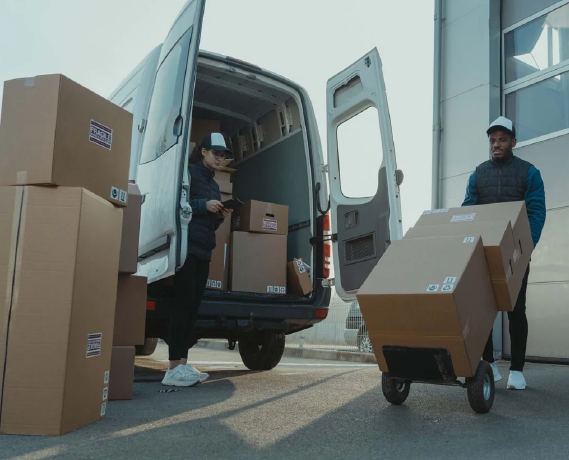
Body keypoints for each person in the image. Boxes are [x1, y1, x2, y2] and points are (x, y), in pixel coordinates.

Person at [462, 116, 546, 390]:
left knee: (515, 310)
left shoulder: (529, 173)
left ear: (513, 142)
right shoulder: (478, 174)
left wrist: (527, 247)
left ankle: (517, 371)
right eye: (492, 140)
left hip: (516, 255)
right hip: (483, 253)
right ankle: (489, 364)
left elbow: (536, 212)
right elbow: (468, 210)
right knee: (483, 310)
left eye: (502, 140)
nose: (496, 145)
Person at [162, 133, 232, 387]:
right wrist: (204, 205)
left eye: (223, 155)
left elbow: (209, 223)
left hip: (204, 249)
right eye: (216, 153)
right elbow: (175, 204)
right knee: (182, 305)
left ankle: (182, 363)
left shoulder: (213, 185)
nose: (220, 158)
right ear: (203, 151)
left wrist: (220, 215)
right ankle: (172, 368)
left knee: (193, 307)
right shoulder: (188, 174)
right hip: (186, 247)